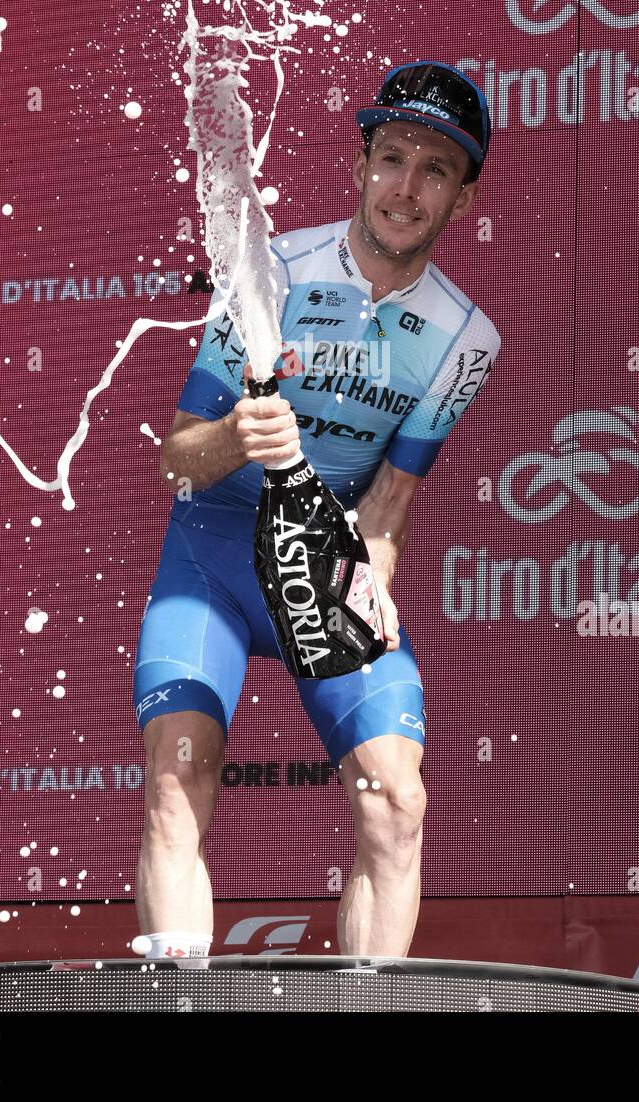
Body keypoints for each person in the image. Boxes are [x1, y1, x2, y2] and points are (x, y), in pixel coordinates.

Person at [134, 61, 501, 962]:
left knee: (396, 800)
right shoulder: (268, 271)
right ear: (358, 168)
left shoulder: (466, 340)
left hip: (324, 555)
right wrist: (237, 438)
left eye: (434, 171)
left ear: (460, 199)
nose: (404, 188)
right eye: (390, 159)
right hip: (213, 552)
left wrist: (365, 585)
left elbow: (388, 503)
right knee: (180, 775)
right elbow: (175, 458)